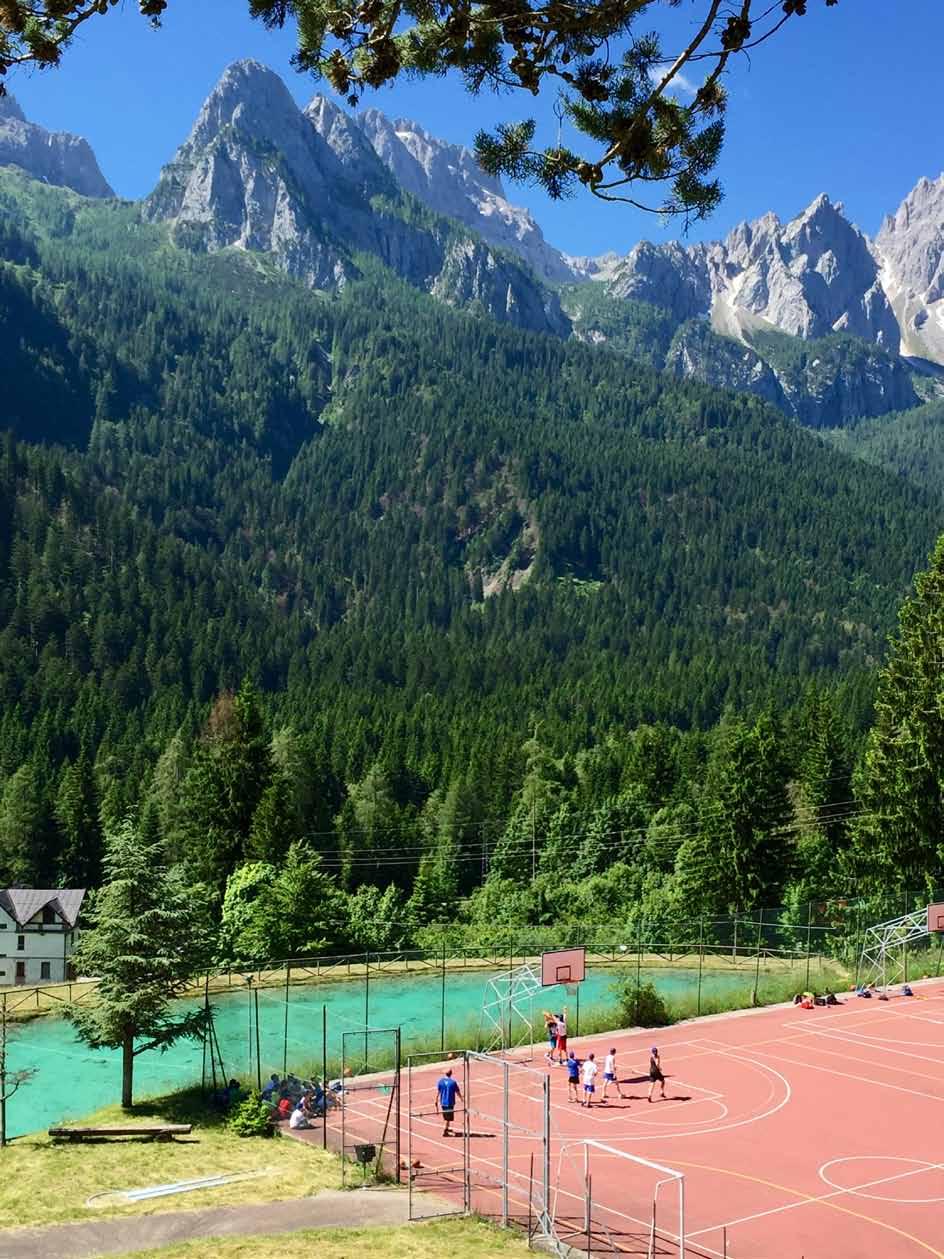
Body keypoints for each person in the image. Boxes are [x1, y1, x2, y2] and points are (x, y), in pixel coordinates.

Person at [436, 1067, 461, 1137]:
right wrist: (461, 1098)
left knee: (447, 1116)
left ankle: (447, 1128)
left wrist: (436, 1099)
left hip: (443, 1102)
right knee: (448, 1118)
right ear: (451, 1074)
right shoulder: (453, 1082)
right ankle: (445, 1130)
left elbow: (439, 1091)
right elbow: (457, 1092)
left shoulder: (440, 1081)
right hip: (450, 1102)